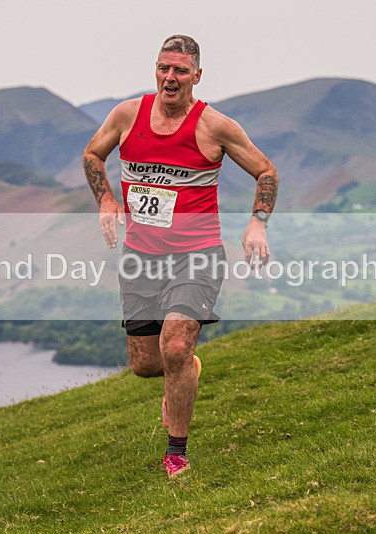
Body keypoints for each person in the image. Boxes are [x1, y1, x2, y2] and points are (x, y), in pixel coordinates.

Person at [83, 34, 278, 478]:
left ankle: (176, 454)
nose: (170, 78)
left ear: (197, 76)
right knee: (147, 364)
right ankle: (185, 369)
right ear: (156, 69)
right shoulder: (128, 115)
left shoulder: (215, 127)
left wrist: (257, 222)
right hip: (141, 257)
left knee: (174, 344)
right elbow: (93, 154)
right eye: (163, 68)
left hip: (198, 253)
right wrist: (106, 201)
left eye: (180, 71)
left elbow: (266, 170)